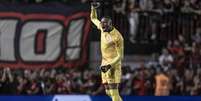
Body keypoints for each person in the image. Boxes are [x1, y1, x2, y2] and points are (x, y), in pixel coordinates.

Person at [90, 2, 124, 101]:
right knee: (108, 92)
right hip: (104, 63)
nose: (102, 26)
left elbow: (120, 56)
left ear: (110, 24)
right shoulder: (102, 27)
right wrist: (93, 8)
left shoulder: (118, 37)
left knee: (114, 92)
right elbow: (93, 18)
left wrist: (109, 65)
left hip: (113, 65)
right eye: (102, 24)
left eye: (105, 24)